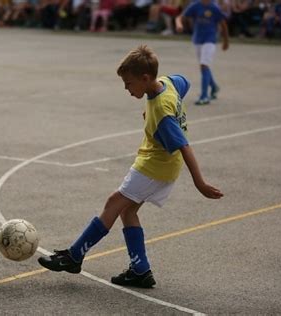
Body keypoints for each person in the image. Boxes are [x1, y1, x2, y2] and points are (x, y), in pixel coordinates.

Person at [38, 45, 223, 288]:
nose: (126, 89)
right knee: (128, 211)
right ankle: (140, 270)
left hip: (153, 166)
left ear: (145, 78)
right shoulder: (168, 83)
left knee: (114, 203)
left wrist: (199, 183)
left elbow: (184, 146)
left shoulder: (161, 113)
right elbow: (185, 82)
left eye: (128, 84)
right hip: (162, 166)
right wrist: (160, 112)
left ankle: (74, 256)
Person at [175, 0, 229, 105]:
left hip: (210, 40)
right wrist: (179, 24)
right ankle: (214, 87)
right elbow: (180, 17)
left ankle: (204, 96)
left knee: (204, 66)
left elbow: (223, 24)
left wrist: (226, 41)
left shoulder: (214, 7)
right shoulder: (195, 5)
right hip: (198, 40)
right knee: (204, 67)